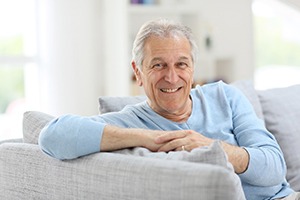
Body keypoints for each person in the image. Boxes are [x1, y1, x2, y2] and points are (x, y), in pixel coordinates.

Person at [39, 18, 298, 200]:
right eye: (158, 65)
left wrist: (213, 149)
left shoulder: (225, 95)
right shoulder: (128, 121)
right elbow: (52, 136)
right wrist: (151, 138)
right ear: (138, 72)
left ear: (193, 68)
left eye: (181, 64)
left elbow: (274, 167)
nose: (172, 77)